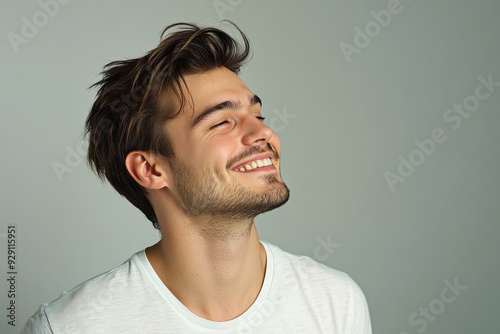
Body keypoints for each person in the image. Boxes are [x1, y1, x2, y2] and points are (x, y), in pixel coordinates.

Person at [22, 22, 372, 333]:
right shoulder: (69, 326)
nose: (262, 133)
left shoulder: (335, 302)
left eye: (258, 114)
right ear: (150, 169)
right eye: (222, 122)